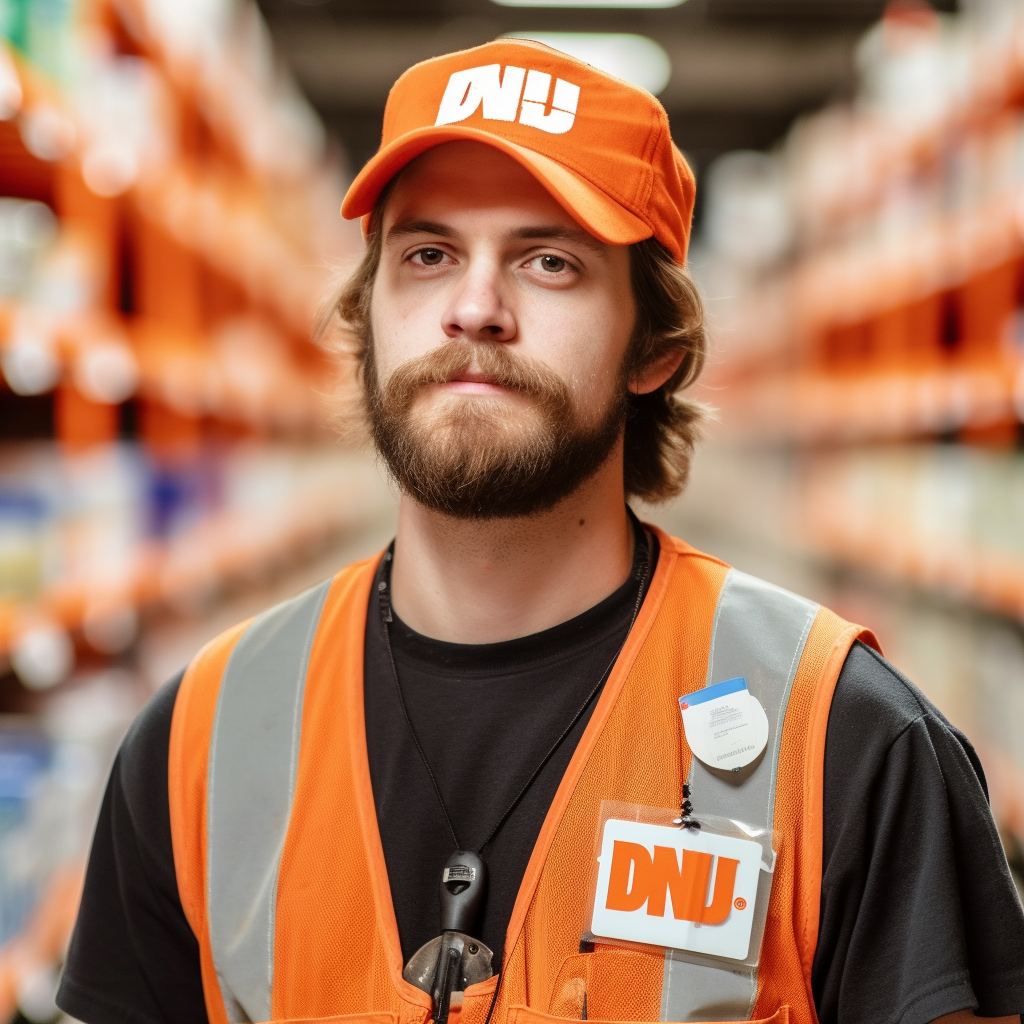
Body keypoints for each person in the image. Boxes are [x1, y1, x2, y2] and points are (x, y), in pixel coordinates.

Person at [57, 38, 1024, 1024]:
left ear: (655, 349)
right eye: (427, 255)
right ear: (368, 317)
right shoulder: (200, 738)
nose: (474, 308)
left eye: (548, 261)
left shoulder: (847, 741)